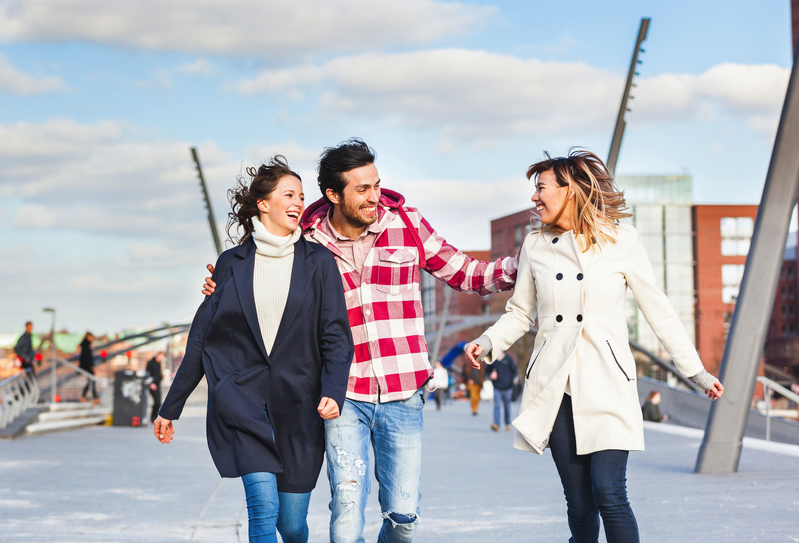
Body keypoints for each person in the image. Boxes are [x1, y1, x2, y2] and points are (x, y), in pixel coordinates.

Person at [203, 139, 517, 543]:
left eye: (377, 185)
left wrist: (530, 264)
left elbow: (468, 273)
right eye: (362, 189)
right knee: (347, 514)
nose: (375, 197)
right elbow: (261, 268)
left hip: (404, 391)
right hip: (344, 394)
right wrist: (223, 283)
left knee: (404, 517)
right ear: (333, 194)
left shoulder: (407, 225)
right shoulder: (309, 242)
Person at [465, 149, 723, 543]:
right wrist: (487, 342)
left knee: (609, 492)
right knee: (580, 503)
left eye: (542, 189)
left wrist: (695, 371)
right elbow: (520, 313)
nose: (535, 198)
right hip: (556, 386)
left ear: (570, 190)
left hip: (606, 380)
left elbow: (660, 311)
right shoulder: (535, 245)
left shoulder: (622, 240)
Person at [155, 156, 354, 543]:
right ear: (263, 204)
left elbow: (335, 335)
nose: (298, 202)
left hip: (300, 407)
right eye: (288, 194)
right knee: (262, 513)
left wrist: (333, 390)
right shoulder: (231, 264)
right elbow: (202, 336)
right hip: (244, 403)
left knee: (291, 523)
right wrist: (170, 407)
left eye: (301, 195)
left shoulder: (319, 262)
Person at [487, 351, 518, 431]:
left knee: (507, 406)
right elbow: (487, 370)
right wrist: (491, 375)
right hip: (497, 387)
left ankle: (507, 423)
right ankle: (496, 424)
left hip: (507, 388)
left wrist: (510, 381)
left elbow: (514, 370)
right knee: (497, 406)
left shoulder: (508, 359)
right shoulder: (493, 360)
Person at [78, 332, 98, 403]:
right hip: (87, 367)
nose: (92, 339)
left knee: (90, 382)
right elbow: (87, 358)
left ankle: (85, 397)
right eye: (91, 337)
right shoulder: (86, 346)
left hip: (86, 367)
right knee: (92, 381)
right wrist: (91, 366)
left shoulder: (85, 345)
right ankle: (94, 398)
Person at [145, 352, 164, 423]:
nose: (161, 359)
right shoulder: (150, 363)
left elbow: (158, 375)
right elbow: (147, 373)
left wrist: (162, 377)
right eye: (160, 357)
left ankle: (154, 417)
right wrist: (151, 383)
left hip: (158, 384)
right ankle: (153, 418)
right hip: (152, 385)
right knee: (156, 401)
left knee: (158, 402)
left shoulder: (159, 364)